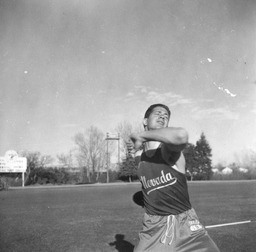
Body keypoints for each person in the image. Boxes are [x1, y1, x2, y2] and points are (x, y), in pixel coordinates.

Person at [128, 104, 220, 252]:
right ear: (145, 121)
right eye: (158, 113)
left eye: (166, 116)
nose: (163, 116)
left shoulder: (168, 151)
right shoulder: (139, 158)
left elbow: (181, 135)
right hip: (153, 228)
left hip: (186, 227)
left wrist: (141, 136)